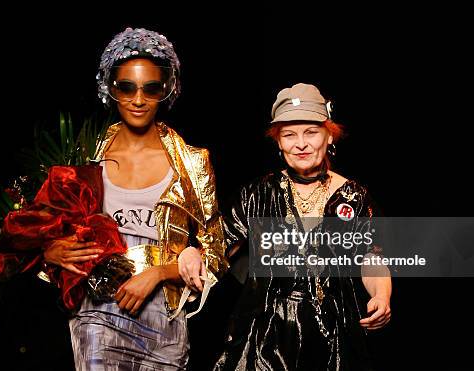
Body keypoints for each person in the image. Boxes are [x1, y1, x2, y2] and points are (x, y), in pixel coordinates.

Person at [41, 27, 228, 370]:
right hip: (98, 312)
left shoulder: (192, 161)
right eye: (126, 87)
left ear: (167, 90)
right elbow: (49, 227)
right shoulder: (86, 154)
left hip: (166, 320)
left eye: (151, 88)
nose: (138, 99)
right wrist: (48, 252)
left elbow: (215, 253)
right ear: (109, 89)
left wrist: (160, 272)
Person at [213, 83, 392, 370]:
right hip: (265, 336)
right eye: (289, 135)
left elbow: (372, 258)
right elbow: (216, 246)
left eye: (311, 132)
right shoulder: (257, 194)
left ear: (329, 134)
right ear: (278, 142)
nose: (301, 144)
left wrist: (381, 296)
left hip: (335, 335)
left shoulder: (354, 197)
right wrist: (191, 253)